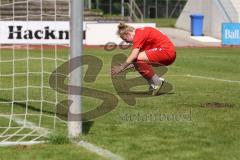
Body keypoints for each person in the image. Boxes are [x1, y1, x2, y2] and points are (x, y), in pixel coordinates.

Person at [111, 23, 176, 95]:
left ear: (128, 33)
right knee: (137, 60)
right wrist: (124, 67)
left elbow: (134, 56)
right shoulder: (141, 34)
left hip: (166, 52)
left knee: (136, 58)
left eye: (125, 39)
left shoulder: (139, 35)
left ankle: (156, 81)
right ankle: (154, 83)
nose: (126, 42)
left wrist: (121, 67)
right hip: (168, 53)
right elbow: (138, 62)